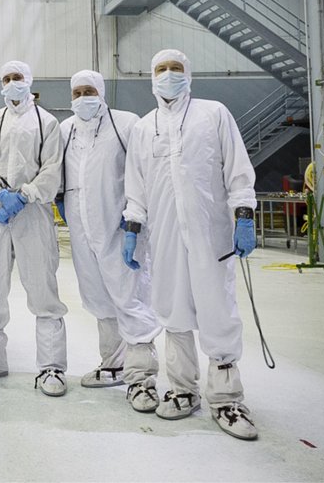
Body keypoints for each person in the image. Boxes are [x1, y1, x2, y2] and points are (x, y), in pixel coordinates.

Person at [123, 49, 260, 440]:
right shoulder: (143, 128)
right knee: (172, 309)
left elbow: (237, 170)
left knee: (218, 310)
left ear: (190, 74)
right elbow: (136, 187)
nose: (169, 75)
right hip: (164, 237)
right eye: (161, 69)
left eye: (176, 68)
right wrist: (133, 229)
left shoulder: (213, 114)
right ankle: (183, 389)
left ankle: (227, 398)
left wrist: (244, 217)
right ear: (151, 77)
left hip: (210, 233)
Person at [58, 69, 159, 409]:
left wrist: (135, 220)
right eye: (77, 93)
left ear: (101, 92)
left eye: (89, 91)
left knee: (129, 297)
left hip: (118, 227)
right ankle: (114, 364)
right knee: (98, 298)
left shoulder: (125, 123)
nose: (83, 98)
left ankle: (142, 378)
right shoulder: (66, 130)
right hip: (81, 229)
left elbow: (142, 171)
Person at [0, 60, 68, 395]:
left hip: (33, 212)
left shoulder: (47, 122)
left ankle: (51, 367)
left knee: (42, 284)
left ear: (29, 81)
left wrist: (24, 195)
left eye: (18, 78)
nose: (12, 83)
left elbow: (52, 168)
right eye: (7, 78)